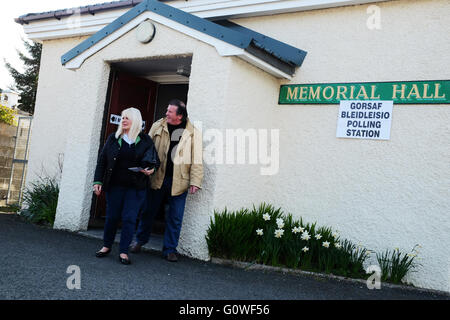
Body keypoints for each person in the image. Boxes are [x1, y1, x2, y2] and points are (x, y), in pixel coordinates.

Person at [130, 99, 203, 262]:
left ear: (180, 115)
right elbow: (145, 147)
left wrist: (195, 181)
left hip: (179, 181)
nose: (166, 113)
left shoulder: (193, 133)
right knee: (148, 211)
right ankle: (139, 241)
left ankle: (170, 249)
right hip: (157, 177)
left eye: (170, 111)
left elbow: (197, 159)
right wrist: (142, 167)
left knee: (175, 217)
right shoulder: (158, 125)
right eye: (167, 110)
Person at [93, 107, 159, 265]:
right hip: (115, 186)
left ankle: (123, 251)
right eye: (122, 118)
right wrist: (97, 181)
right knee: (112, 217)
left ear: (135, 120)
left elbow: (154, 161)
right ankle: (106, 245)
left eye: (127, 118)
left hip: (135, 188)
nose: (123, 120)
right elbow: (102, 161)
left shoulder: (145, 141)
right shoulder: (113, 138)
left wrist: (150, 170)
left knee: (129, 219)